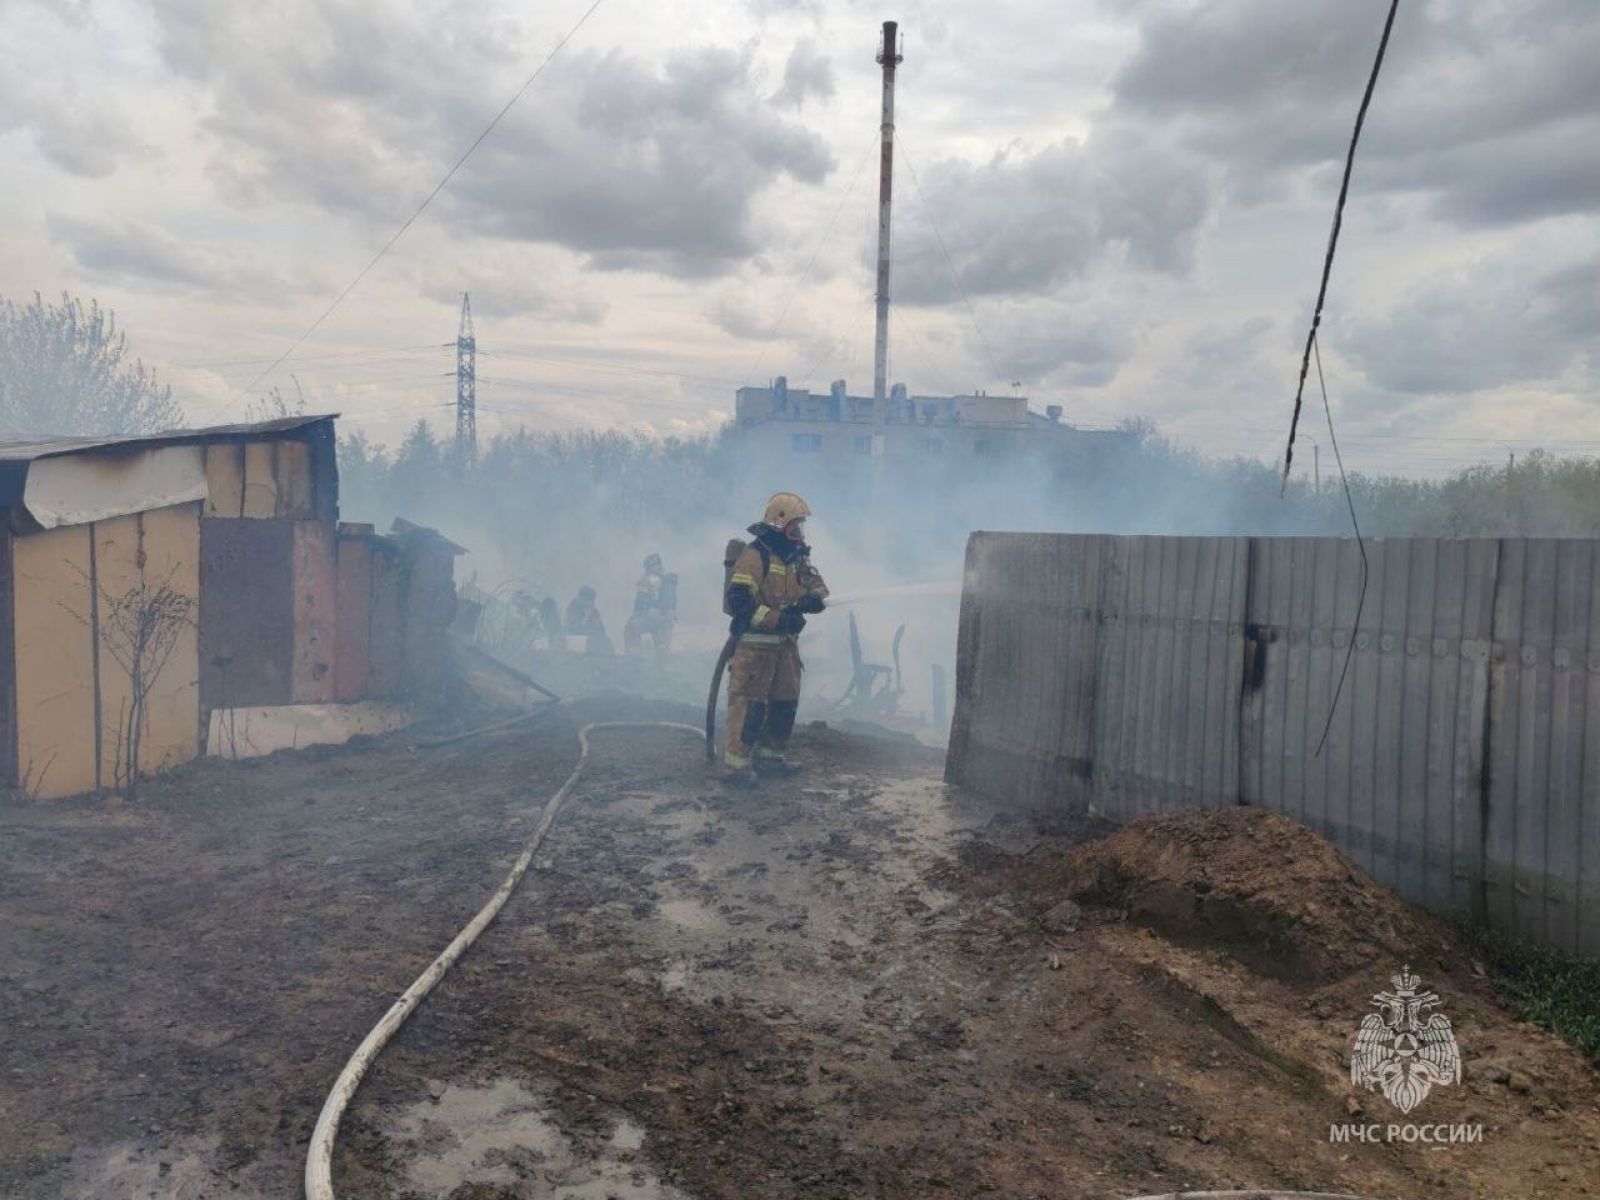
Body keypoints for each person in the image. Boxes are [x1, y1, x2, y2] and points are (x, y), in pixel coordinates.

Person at [722, 492, 828, 783]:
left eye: (801, 527)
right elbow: (739, 602)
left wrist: (813, 599)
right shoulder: (755, 556)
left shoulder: (796, 556)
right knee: (749, 707)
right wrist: (778, 619)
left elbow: (817, 585)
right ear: (778, 524)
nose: (799, 533)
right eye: (795, 527)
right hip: (755, 648)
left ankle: (771, 758)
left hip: (786, 647)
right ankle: (737, 768)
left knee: (785, 702)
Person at [624, 552, 678, 663]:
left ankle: (635, 658)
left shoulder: (648, 578)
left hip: (651, 616)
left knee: (631, 629)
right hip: (667, 619)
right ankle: (662, 667)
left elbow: (640, 600)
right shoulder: (668, 580)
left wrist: (636, 615)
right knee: (662, 647)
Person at [564, 585, 613, 656]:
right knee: (593, 642)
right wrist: (586, 617)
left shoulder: (594, 612)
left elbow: (601, 629)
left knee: (606, 642)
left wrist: (600, 634)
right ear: (582, 598)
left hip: (592, 638)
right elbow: (573, 628)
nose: (592, 602)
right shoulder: (572, 609)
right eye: (590, 599)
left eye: (593, 600)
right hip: (575, 639)